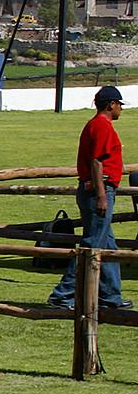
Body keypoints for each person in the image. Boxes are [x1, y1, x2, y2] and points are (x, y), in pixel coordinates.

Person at [51, 86, 128, 312]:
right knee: (92, 244)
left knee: (107, 244)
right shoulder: (102, 126)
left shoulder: (94, 125)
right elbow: (97, 162)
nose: (120, 109)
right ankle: (62, 294)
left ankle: (111, 295)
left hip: (93, 189)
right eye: (119, 105)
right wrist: (102, 194)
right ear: (110, 104)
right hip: (99, 191)